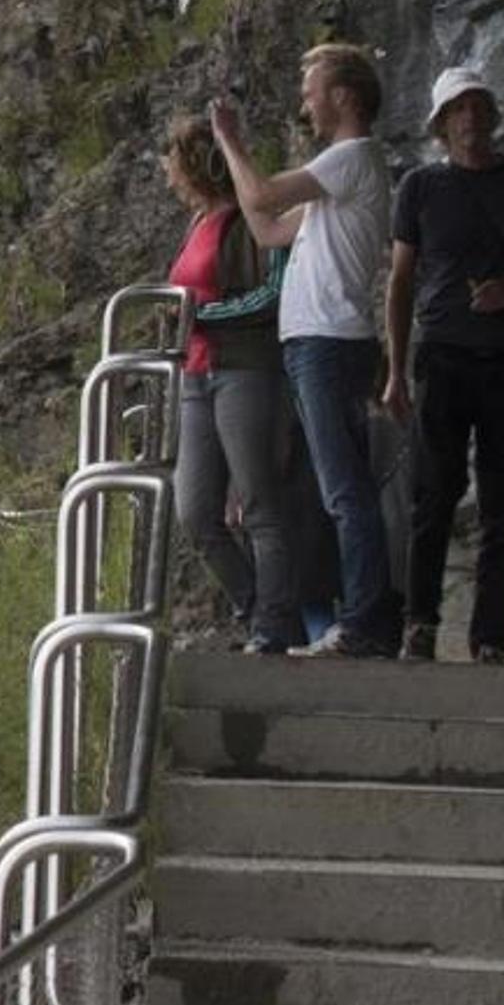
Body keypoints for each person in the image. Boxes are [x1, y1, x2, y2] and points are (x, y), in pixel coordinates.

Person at [211, 42, 400, 657]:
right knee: (329, 492)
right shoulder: (336, 180)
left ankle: (367, 623)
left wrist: (230, 144)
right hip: (315, 345)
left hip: (329, 343)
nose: (304, 104)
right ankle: (352, 617)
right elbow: (267, 230)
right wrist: (239, 163)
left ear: (344, 97)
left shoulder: (352, 156)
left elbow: (262, 198)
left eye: (312, 91)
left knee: (345, 492)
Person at [381, 66, 504, 663]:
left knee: (503, 503)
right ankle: (420, 625)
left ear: (493, 115)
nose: (468, 119)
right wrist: (394, 368)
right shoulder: (420, 188)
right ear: (441, 125)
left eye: (477, 107)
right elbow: (401, 280)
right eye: (456, 110)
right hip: (442, 357)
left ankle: (489, 638)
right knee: (432, 496)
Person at [160, 115, 317, 653]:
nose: (168, 174)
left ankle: (273, 625)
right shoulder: (197, 223)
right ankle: (259, 609)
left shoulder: (249, 219)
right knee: (196, 511)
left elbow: (267, 296)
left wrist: (201, 320)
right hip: (196, 374)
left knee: (257, 501)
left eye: (173, 163)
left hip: (244, 368)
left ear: (195, 166)